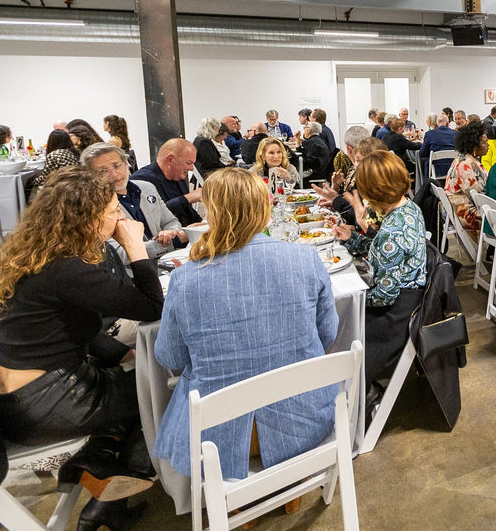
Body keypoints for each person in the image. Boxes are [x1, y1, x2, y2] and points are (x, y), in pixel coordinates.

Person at [0, 167, 162, 530]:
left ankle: (101, 471)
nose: (121, 218)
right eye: (114, 211)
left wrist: (119, 353)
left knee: (135, 370)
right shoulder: (69, 268)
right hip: (44, 403)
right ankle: (118, 479)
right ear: (87, 217)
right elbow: (152, 308)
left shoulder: (39, 253)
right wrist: (134, 247)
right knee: (164, 388)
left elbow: (77, 326)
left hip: (20, 396)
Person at [152, 167, 339, 483]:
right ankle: (289, 490)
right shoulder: (305, 258)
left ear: (211, 214)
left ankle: (237, 505)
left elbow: (170, 358)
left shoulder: (185, 278)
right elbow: (328, 335)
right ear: (264, 209)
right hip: (303, 416)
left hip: (217, 431)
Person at [334, 151, 427, 389]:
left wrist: (350, 299)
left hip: (395, 319)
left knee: (336, 323)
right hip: (411, 300)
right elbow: (385, 250)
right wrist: (353, 237)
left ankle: (352, 396)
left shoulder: (392, 233)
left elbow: (384, 297)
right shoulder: (409, 209)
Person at [83, 143, 187, 259]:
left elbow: (170, 221)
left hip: (168, 261)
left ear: (127, 164)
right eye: (103, 171)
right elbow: (118, 254)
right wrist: (172, 242)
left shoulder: (147, 188)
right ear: (90, 176)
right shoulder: (93, 205)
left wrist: (170, 233)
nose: (114, 174)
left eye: (117, 166)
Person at [131, 138, 202, 226]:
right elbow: (154, 216)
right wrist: (187, 198)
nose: (191, 168)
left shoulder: (178, 176)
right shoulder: (141, 180)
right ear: (170, 159)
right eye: (188, 163)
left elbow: (188, 211)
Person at [443, 123, 489, 242]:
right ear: (474, 146)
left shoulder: (467, 158)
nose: (488, 145)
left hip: (466, 205)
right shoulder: (465, 164)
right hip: (465, 211)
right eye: (484, 142)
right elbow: (476, 196)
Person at [419, 113, 456, 179]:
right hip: (453, 168)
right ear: (447, 123)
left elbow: (422, 153)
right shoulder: (456, 133)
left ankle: (426, 186)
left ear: (437, 123)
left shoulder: (429, 134)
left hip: (435, 169)